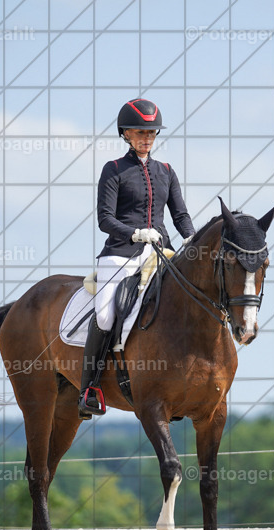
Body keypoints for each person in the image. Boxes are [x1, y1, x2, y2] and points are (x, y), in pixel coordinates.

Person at [78, 98, 195, 418]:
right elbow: (105, 219)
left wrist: (192, 238)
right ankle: (89, 389)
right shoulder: (114, 169)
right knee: (104, 317)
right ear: (126, 134)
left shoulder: (166, 171)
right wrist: (135, 233)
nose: (147, 138)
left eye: (152, 133)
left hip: (162, 253)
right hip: (121, 253)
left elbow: (180, 215)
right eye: (140, 132)